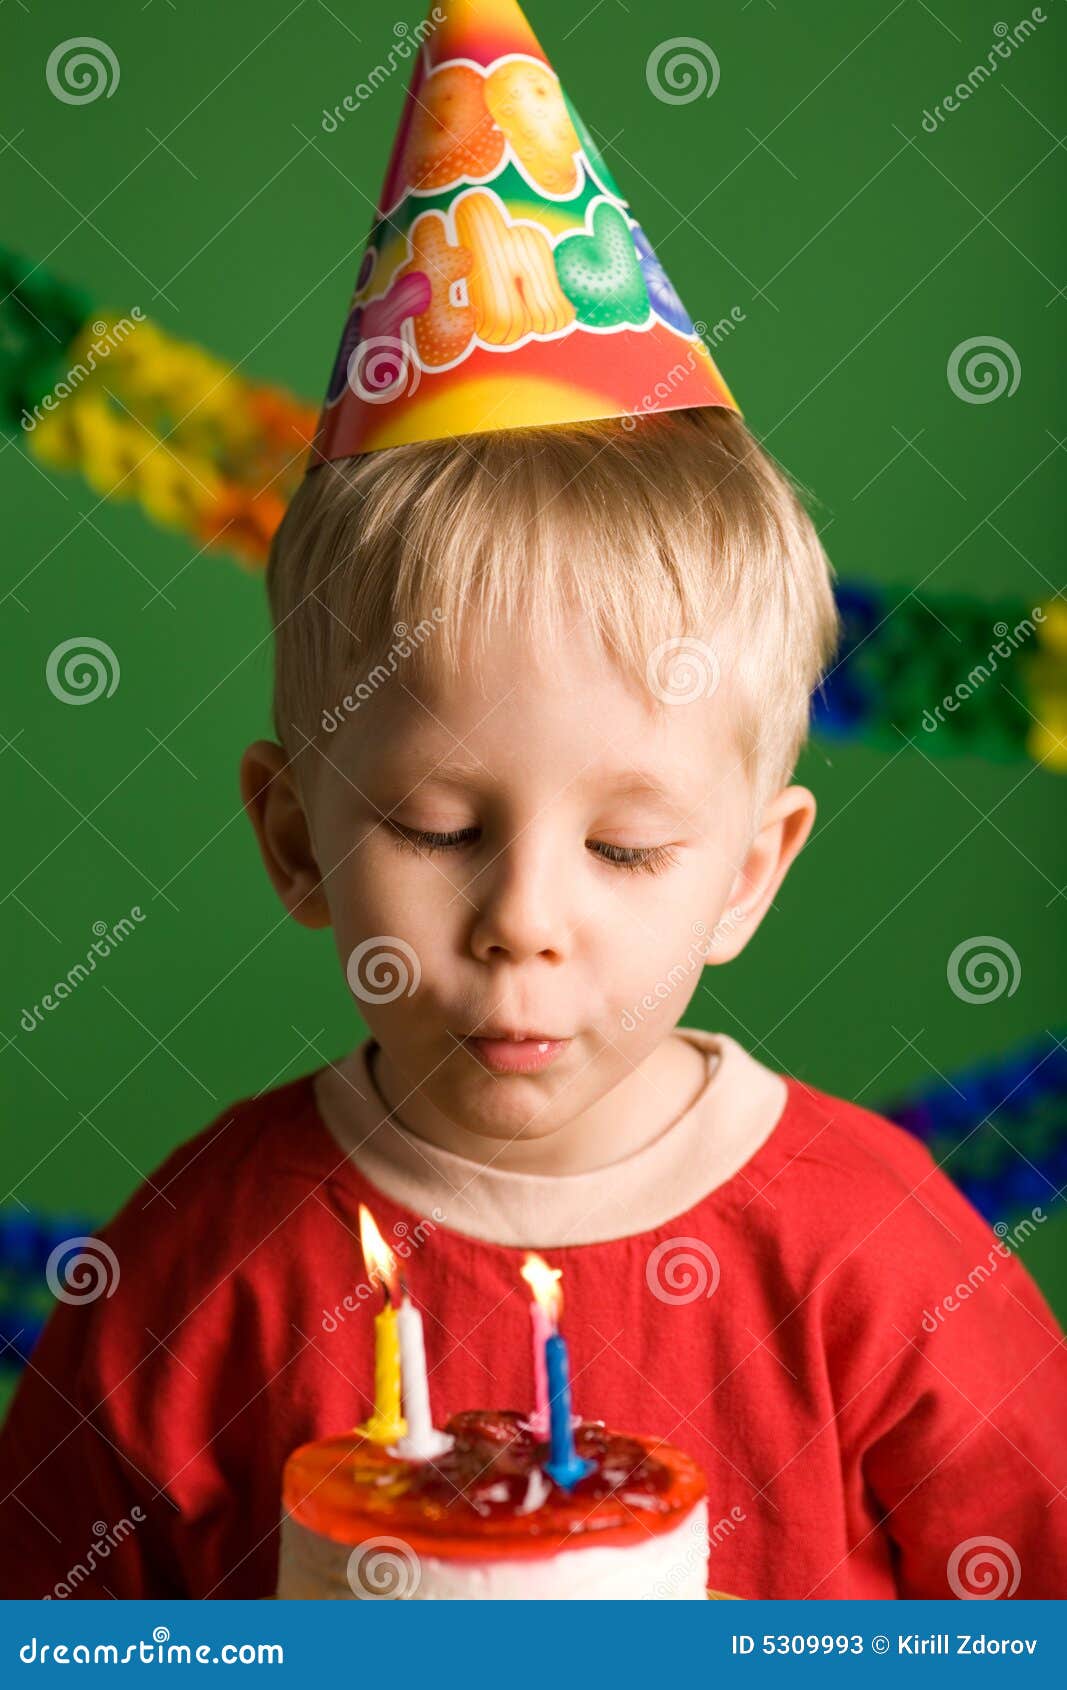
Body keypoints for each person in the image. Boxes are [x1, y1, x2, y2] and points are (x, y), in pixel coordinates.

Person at [2, 0, 1065, 1602]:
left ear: (749, 871)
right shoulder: (193, 1269)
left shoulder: (883, 1261)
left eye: (629, 846)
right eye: (441, 829)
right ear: (294, 837)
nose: (524, 922)